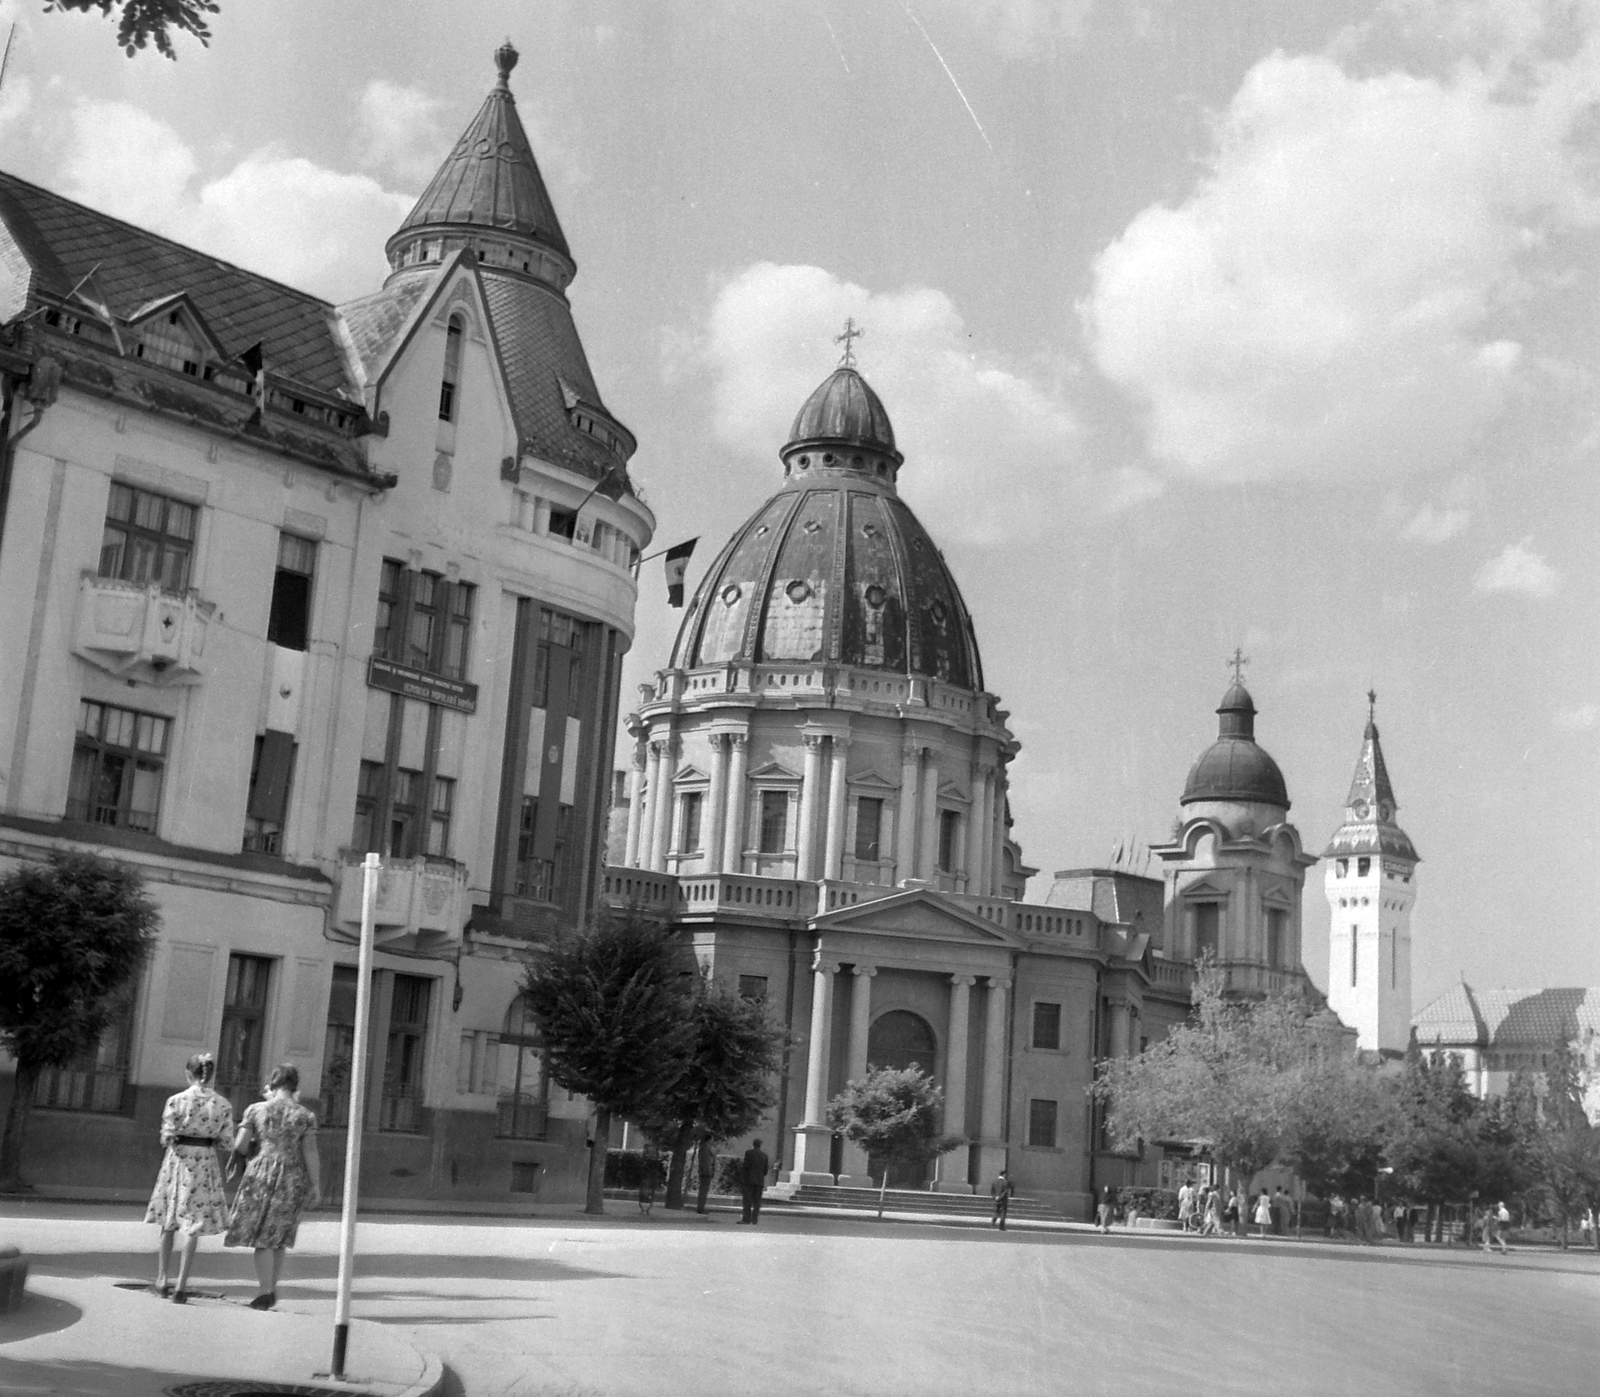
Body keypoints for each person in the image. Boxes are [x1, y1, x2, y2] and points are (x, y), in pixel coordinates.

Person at [225, 1063, 321, 1309]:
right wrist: (316, 1185)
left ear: (273, 1083)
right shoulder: (305, 1116)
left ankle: (264, 1291)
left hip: (262, 1172)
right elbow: (310, 1151)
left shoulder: (256, 1110)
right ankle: (272, 1288)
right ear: (294, 1086)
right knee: (279, 1237)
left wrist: (250, 1150)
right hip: (293, 1175)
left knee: (261, 1236)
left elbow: (241, 1145)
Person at [145, 1052, 234, 1302]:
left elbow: (166, 1136)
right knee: (193, 1225)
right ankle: (182, 1285)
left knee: (169, 1219)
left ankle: (162, 1278)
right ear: (211, 1075)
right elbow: (227, 1142)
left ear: (188, 1073)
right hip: (204, 1161)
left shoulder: (175, 1100)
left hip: (179, 1160)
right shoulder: (223, 1105)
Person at [738, 1137, 769, 1224]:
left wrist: (743, 1178)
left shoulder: (749, 1153)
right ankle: (754, 1219)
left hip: (749, 1180)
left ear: (753, 1144)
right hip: (760, 1181)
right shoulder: (764, 1156)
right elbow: (765, 1170)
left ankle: (746, 1219)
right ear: (760, 1145)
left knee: (747, 1200)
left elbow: (745, 1166)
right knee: (757, 1201)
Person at [695, 1135, 718, 1215]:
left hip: (706, 1171)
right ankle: (700, 1208)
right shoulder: (705, 1148)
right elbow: (705, 1162)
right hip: (705, 1172)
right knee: (703, 1190)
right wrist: (708, 1171)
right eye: (711, 1139)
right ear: (708, 1140)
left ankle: (701, 1207)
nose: (712, 1141)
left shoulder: (707, 1148)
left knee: (704, 1190)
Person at [638, 1145, 660, 1215]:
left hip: (650, 1176)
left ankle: (647, 1203)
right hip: (647, 1176)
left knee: (649, 1187)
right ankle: (645, 1203)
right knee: (646, 1186)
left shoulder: (651, 1161)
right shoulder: (647, 1160)